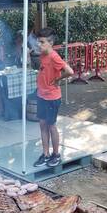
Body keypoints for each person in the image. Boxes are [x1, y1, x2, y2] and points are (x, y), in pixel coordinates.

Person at [33, 28, 74, 168]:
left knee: (51, 126)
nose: (39, 45)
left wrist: (58, 80)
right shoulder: (43, 55)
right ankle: (45, 154)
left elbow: (70, 71)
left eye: (42, 42)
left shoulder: (54, 56)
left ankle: (56, 154)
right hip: (41, 95)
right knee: (42, 125)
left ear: (51, 42)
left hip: (52, 97)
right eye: (38, 42)